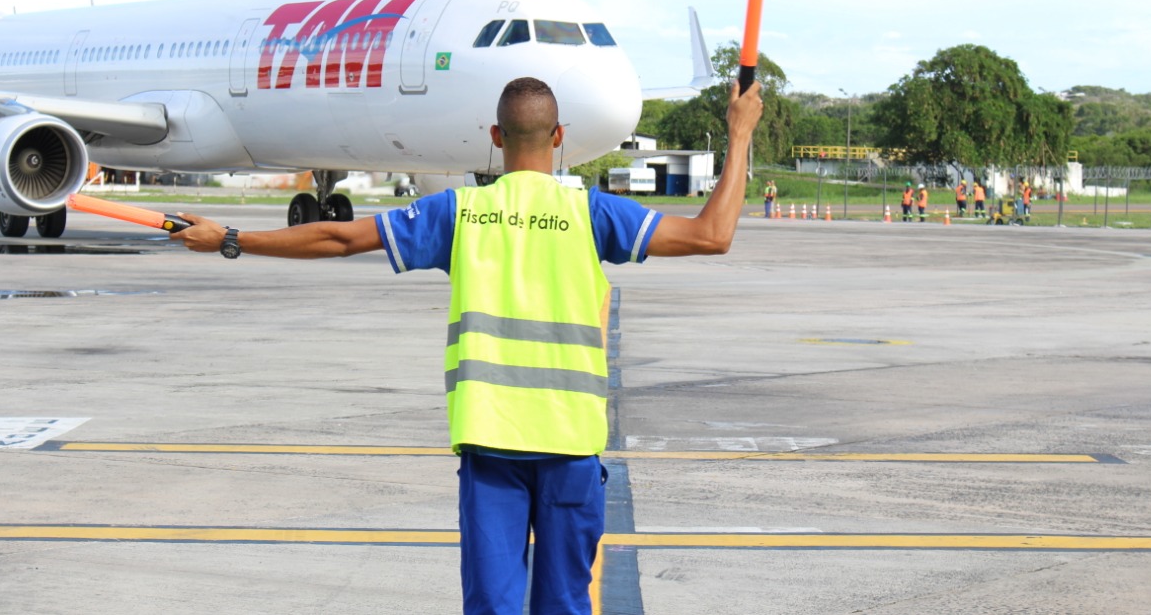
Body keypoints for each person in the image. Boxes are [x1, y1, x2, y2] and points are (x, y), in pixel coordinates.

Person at [173, 76, 764, 615]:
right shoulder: (590, 213)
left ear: (494, 136)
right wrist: (738, 136)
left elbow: (336, 236)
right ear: (559, 137)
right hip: (570, 446)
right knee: (564, 603)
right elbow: (713, 235)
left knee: (492, 605)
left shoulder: (462, 213)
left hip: (492, 444)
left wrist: (230, 237)